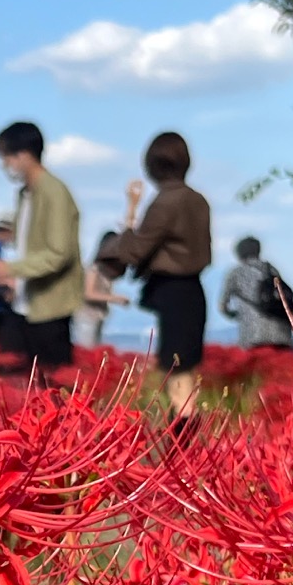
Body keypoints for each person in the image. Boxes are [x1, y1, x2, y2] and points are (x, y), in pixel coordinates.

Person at [103, 132, 211, 418]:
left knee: (176, 376)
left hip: (172, 293)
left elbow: (134, 251)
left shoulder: (165, 201)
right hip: (192, 291)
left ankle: (182, 446)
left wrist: (130, 211)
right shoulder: (198, 200)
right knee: (185, 372)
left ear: (153, 165)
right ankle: (190, 443)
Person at [0, 121, 82, 375]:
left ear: (24, 154)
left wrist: (12, 268)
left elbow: (59, 253)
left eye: (6, 157)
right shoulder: (25, 194)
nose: (5, 165)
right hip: (24, 305)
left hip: (50, 309)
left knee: (53, 387)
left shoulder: (55, 192)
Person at [218, 237, 293, 349]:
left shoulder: (235, 273)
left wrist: (235, 314)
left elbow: (223, 305)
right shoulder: (271, 269)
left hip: (252, 333)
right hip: (280, 331)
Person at [78, 232, 131, 349]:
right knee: (87, 350)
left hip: (98, 316)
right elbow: (88, 293)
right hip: (86, 317)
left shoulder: (106, 273)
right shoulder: (94, 269)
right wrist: (115, 298)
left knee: (94, 349)